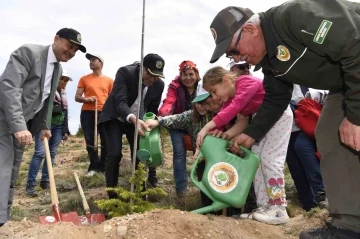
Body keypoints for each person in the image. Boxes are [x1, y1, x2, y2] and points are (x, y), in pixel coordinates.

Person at [209, 2, 360, 238]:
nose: (237, 58)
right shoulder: (271, 61)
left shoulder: (295, 17)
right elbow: (277, 98)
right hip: (345, 84)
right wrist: (251, 133)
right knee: (330, 132)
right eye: (231, 55)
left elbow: (354, 42)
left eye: (234, 51)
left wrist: (356, 115)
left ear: (250, 30)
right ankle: (350, 226)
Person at [0, 28, 86, 227]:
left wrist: (45, 125)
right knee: (3, 169)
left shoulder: (56, 68)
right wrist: (19, 126)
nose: (71, 52)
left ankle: (5, 219)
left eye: (75, 50)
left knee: (12, 171)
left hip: (24, 124)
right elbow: (9, 87)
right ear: (56, 39)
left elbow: (46, 99)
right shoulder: (29, 53)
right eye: (69, 45)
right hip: (5, 119)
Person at [197, 66, 292, 225]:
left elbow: (233, 109)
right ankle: (264, 207)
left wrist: (206, 127)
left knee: (270, 160)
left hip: (279, 116)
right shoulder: (232, 97)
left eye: (214, 91)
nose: (214, 97)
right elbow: (241, 121)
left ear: (226, 81)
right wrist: (225, 135)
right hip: (260, 122)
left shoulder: (246, 83)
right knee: (255, 162)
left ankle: (278, 208)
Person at [99, 53, 165, 198]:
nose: (152, 79)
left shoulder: (158, 85)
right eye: (150, 74)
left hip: (138, 121)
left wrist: (149, 123)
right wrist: (132, 118)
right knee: (115, 154)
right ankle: (112, 196)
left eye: (157, 76)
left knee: (140, 154)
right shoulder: (125, 73)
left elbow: (152, 109)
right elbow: (119, 102)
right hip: (115, 117)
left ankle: (141, 193)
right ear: (143, 68)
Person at [26, 70, 72, 197]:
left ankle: (46, 181)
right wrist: (42, 125)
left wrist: (65, 130)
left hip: (58, 126)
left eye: (66, 80)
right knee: (40, 153)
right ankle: (31, 183)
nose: (63, 82)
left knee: (51, 153)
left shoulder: (63, 95)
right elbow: (40, 109)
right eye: (62, 78)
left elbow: (65, 113)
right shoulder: (46, 91)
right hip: (44, 125)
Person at [158, 60, 200, 197]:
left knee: (200, 152)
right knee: (179, 152)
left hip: (196, 122)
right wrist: (163, 116)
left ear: (196, 74)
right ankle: (181, 190)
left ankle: (203, 186)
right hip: (177, 123)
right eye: (184, 75)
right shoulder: (174, 87)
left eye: (190, 74)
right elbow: (169, 102)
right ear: (180, 76)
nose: (188, 78)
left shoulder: (202, 87)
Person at [75, 53, 113, 176]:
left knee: (105, 140)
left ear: (101, 63)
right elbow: (77, 97)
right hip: (87, 112)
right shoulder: (84, 79)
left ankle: (103, 167)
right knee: (90, 140)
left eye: (94, 60)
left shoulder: (109, 81)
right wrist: (86, 99)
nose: (91, 62)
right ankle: (93, 167)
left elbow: (112, 98)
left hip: (104, 112)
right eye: (90, 60)